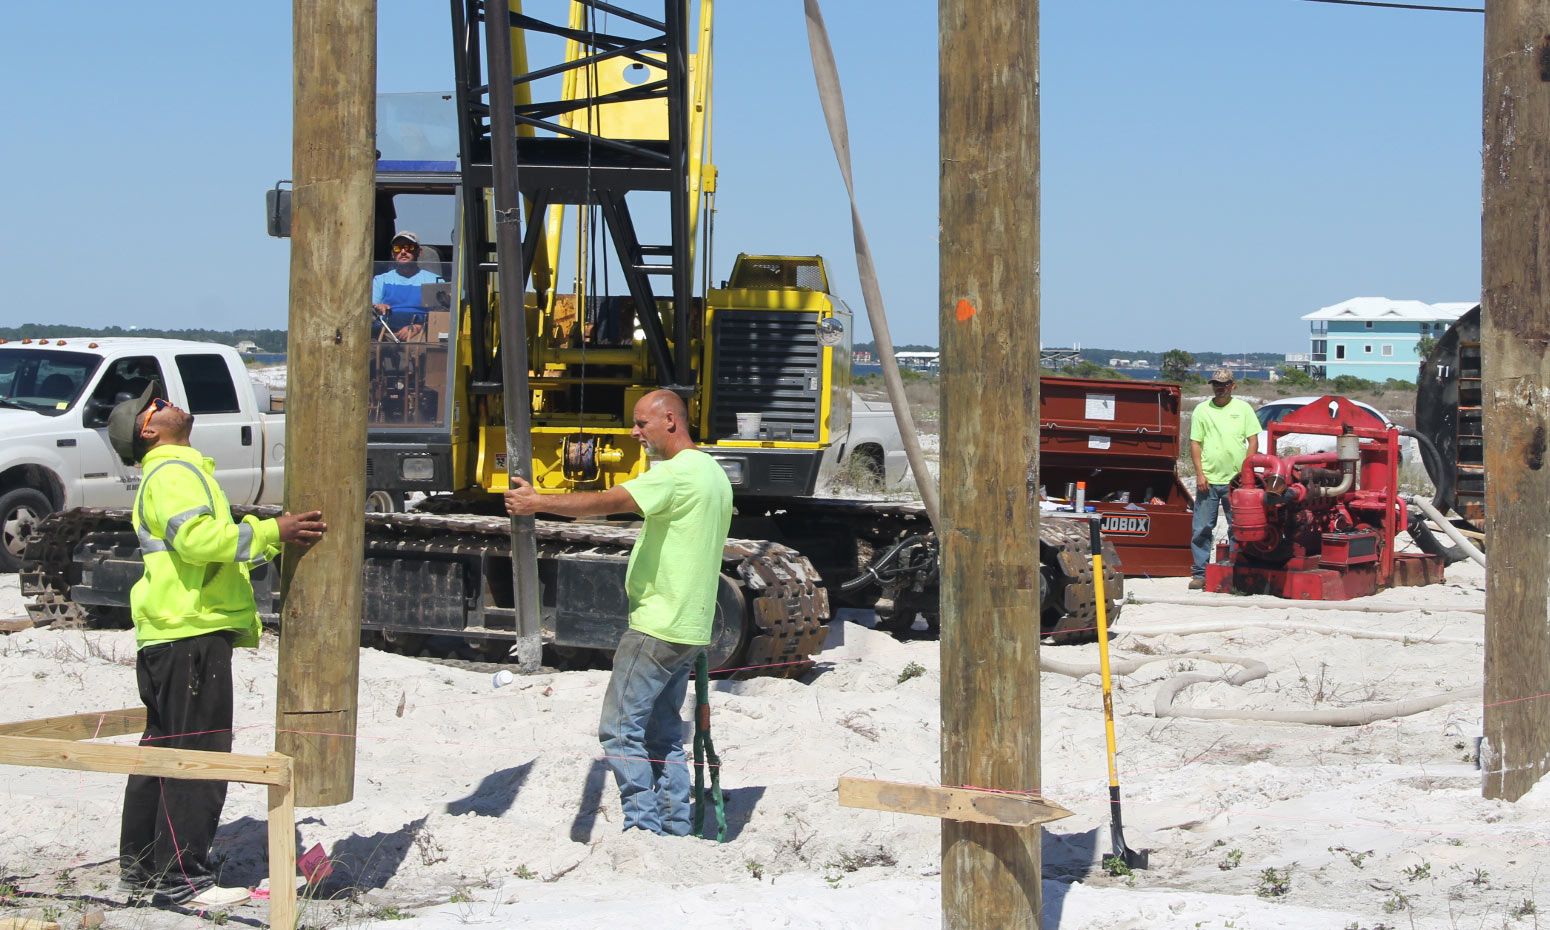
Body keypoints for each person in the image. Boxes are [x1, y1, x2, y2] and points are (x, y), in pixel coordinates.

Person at [107, 384, 326, 908]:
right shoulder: (175, 471)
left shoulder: (175, 472)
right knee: (201, 756)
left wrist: (260, 540)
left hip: (172, 630)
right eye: (156, 405)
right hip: (191, 632)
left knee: (165, 749)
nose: (168, 403)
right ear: (149, 430)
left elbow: (211, 549)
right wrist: (274, 530)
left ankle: (144, 868)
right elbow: (200, 541)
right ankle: (183, 876)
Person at [503, 389, 732, 836]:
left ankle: (644, 828)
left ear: (670, 419)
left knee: (619, 730)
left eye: (641, 424)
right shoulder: (711, 471)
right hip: (690, 625)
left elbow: (610, 501)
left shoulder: (678, 473)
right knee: (662, 733)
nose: (634, 433)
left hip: (658, 624)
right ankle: (674, 828)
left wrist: (539, 501)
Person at [1188, 368, 1262, 588]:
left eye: (1224, 384)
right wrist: (1200, 473)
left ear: (1233, 386)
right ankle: (1200, 573)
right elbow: (1195, 443)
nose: (1220, 388)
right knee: (1201, 528)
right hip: (1208, 479)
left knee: (1236, 527)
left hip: (1236, 481)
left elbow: (1253, 441)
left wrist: (1245, 473)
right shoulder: (1202, 410)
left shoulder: (1243, 409)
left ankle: (1234, 569)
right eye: (1216, 384)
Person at [371, 231, 445, 341]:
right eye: (397, 248)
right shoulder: (380, 280)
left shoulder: (435, 280)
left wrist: (418, 327)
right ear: (393, 253)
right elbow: (372, 310)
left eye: (409, 247)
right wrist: (378, 307)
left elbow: (441, 314)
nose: (403, 252)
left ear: (419, 252)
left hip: (422, 333)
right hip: (387, 333)